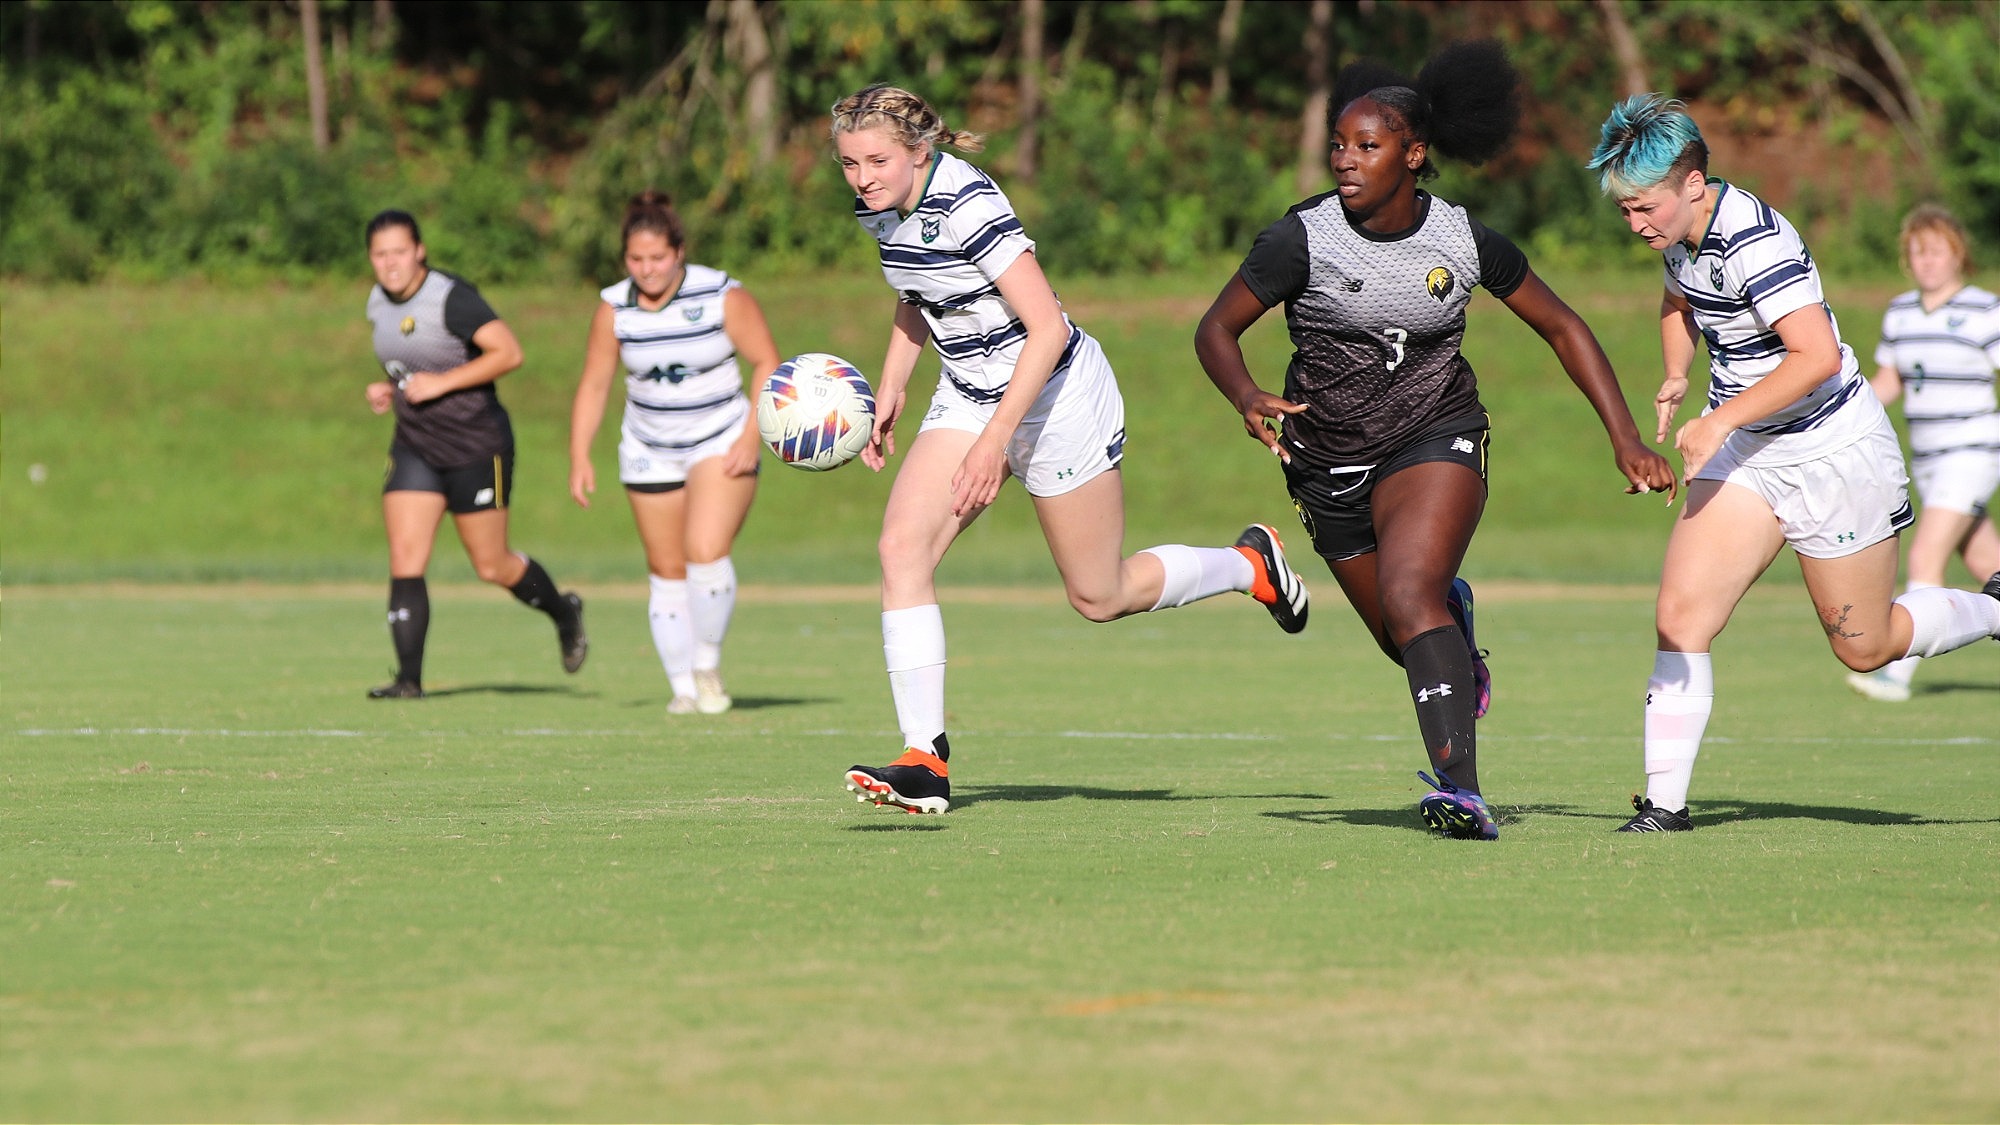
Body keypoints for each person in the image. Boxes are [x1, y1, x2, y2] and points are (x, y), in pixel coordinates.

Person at [1194, 42, 1678, 841]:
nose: (1346, 161)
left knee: (1413, 598)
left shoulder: (1463, 240)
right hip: (1326, 461)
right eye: (1339, 147)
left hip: (1434, 432)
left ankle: (1462, 793)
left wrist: (1624, 436)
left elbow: (1562, 326)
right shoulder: (1300, 240)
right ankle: (1456, 627)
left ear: (1414, 155)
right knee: (1408, 639)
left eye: (1368, 146)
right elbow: (1215, 329)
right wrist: (1245, 392)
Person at [829, 84, 1311, 815]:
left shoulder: (968, 203)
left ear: (920, 151)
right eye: (848, 163)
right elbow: (915, 293)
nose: (862, 176)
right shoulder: (880, 208)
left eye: (876, 160)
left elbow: (1046, 328)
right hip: (968, 390)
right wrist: (892, 385)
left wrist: (997, 442)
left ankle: (1248, 565)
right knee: (901, 547)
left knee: (1099, 594)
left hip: (1055, 394)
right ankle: (924, 757)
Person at [1587, 95, 2000, 832]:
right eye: (1624, 210)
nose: (1635, 223)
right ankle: (1665, 807)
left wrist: (1717, 419)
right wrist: (1679, 373)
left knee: (1865, 645)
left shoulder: (1754, 241)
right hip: (1750, 449)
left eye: (1642, 207)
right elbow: (1679, 302)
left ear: (1692, 183)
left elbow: (1814, 357)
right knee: (1680, 616)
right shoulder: (1679, 237)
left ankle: (1995, 606)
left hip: (1832, 448)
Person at [568, 191, 780, 715]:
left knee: (704, 551)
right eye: (636, 260)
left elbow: (767, 363)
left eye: (658, 258)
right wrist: (580, 455)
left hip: (721, 437)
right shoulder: (613, 307)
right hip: (648, 446)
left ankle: (706, 666)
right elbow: (595, 384)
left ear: (679, 251)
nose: (648, 270)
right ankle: (682, 688)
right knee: (666, 569)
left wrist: (752, 436)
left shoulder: (721, 294)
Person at [361, 209, 587, 698]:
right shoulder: (377, 303)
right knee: (405, 555)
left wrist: (440, 383)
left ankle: (563, 610)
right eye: (380, 254)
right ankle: (408, 681)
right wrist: (389, 388)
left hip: (476, 445)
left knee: (491, 565)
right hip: (416, 444)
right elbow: (410, 366)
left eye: (399, 251)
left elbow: (509, 353)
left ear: (419, 250)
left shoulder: (450, 298)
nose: (390, 263)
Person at [1846, 205, 2000, 703]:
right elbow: (1888, 381)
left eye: (1935, 250)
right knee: (1988, 565)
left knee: (1925, 554)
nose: (1926, 261)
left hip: (1972, 451)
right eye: (1916, 252)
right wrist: (1841, 411)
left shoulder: (1984, 309)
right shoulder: (1901, 312)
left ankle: (1898, 673)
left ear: (1958, 253)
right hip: (1929, 461)